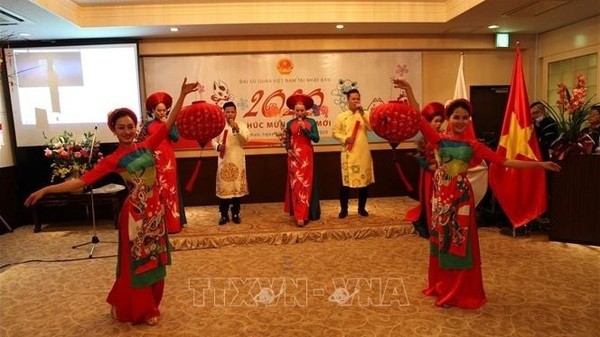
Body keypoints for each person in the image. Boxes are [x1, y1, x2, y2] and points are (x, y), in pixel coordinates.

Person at [24, 78, 199, 325]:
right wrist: (47, 189)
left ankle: (151, 304)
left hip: (155, 213)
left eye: (130, 126)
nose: (127, 131)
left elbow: (169, 122)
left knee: (155, 261)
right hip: (135, 216)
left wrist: (181, 95)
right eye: (121, 127)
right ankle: (144, 309)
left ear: (136, 127)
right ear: (114, 130)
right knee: (138, 264)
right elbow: (81, 182)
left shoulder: (148, 144)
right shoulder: (114, 159)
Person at [396, 80, 561, 309]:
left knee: (459, 244)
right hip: (441, 199)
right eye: (456, 117)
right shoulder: (439, 140)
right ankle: (441, 285)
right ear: (448, 119)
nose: (461, 121)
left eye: (465, 117)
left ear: (468, 120)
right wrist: (409, 90)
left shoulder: (474, 146)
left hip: (461, 199)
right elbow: (419, 117)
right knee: (442, 243)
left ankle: (459, 290)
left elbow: (504, 161)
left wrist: (539, 164)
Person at [138, 91, 186, 234]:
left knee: (170, 190)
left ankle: (172, 224)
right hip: (153, 159)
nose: (161, 112)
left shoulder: (170, 123)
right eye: (158, 110)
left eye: (164, 110)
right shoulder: (147, 125)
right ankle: (156, 224)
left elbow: (176, 138)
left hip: (168, 160)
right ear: (152, 111)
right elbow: (141, 142)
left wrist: (168, 125)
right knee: (156, 190)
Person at [332, 88, 374, 218]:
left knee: (364, 183)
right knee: (345, 183)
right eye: (353, 99)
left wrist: (362, 113)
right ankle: (344, 209)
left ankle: (362, 208)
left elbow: (371, 127)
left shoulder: (365, 114)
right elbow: (335, 132)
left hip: (362, 153)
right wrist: (345, 138)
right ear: (348, 100)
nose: (356, 101)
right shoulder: (341, 116)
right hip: (348, 153)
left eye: (358, 99)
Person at [405, 102, 445, 238]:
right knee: (429, 200)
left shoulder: (444, 137)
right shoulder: (424, 138)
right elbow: (419, 156)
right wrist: (429, 166)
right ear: (429, 122)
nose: (438, 124)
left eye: (440, 121)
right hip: (428, 174)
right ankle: (429, 227)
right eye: (436, 121)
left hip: (442, 173)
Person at [283, 94, 321, 227]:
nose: (299, 113)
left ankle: (303, 215)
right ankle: (297, 213)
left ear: (306, 111)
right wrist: (288, 149)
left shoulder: (311, 122)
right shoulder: (289, 123)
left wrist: (305, 129)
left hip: (306, 156)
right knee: (296, 185)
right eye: (297, 110)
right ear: (293, 111)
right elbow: (286, 139)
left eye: (302, 110)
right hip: (294, 156)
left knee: (305, 185)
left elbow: (316, 138)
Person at [211, 101, 250, 225]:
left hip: (237, 160)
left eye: (232, 112)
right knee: (224, 188)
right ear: (223, 113)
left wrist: (237, 129)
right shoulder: (219, 126)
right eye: (227, 112)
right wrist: (218, 146)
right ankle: (223, 214)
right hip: (224, 160)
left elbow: (246, 140)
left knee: (237, 187)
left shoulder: (241, 125)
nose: (230, 114)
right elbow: (213, 141)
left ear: (236, 113)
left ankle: (235, 212)